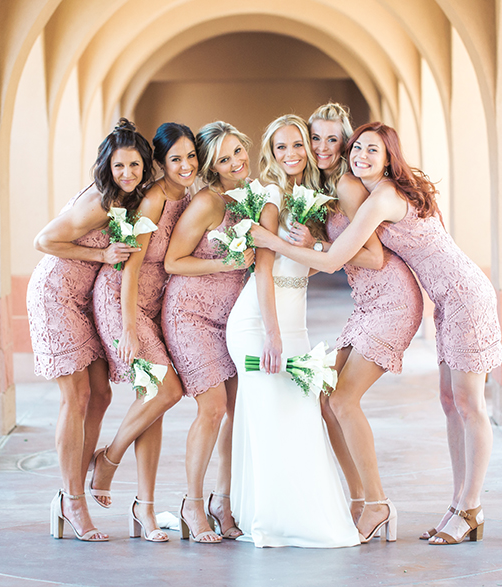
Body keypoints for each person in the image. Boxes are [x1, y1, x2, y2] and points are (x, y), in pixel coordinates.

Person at [251, 121, 502, 545]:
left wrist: (272, 242)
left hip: (466, 295)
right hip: (444, 300)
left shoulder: (382, 195)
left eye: (372, 150)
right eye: (357, 149)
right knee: (449, 402)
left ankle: (468, 507)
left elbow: (335, 260)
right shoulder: (371, 193)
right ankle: (455, 506)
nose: (359, 156)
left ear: (389, 158)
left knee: (469, 404)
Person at [226, 114, 373, 548]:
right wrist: (272, 335)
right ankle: (272, 521)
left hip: (296, 321)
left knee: (300, 418)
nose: (290, 155)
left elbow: (311, 266)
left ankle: (290, 513)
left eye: (296, 146)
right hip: (259, 321)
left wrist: (309, 243)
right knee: (272, 420)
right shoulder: (270, 196)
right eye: (280, 148)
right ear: (270, 156)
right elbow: (263, 271)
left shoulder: (311, 200)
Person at [296, 104, 424, 529]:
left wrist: (309, 253)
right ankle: (360, 497)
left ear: (346, 142)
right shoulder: (325, 186)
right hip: (367, 302)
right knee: (325, 398)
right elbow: (331, 256)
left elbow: (369, 255)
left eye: (333, 139)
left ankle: (377, 502)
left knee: (343, 399)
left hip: (391, 299)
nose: (322, 147)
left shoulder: (349, 186)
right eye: (315, 138)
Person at [27, 119, 141, 542]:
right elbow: (43, 240)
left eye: (134, 166)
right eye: (119, 166)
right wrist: (102, 254)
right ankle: (71, 499)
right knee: (75, 397)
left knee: (102, 393)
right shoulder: (100, 203)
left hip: (80, 299)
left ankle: (74, 481)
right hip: (55, 294)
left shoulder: (128, 200)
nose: (126, 174)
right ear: (106, 167)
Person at [88, 122, 198, 542]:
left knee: (151, 401)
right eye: (175, 159)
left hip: (151, 307)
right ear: (161, 163)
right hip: (124, 302)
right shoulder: (153, 199)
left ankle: (144, 511)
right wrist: (130, 327)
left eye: (191, 157)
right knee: (166, 391)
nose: (185, 165)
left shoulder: (184, 195)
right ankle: (107, 461)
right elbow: (130, 267)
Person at [162, 121, 255, 543]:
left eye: (238, 151)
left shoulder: (249, 197)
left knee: (238, 410)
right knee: (213, 408)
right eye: (224, 158)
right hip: (190, 314)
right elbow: (173, 262)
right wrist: (226, 264)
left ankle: (224, 499)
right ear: (212, 167)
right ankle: (192, 504)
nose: (236, 161)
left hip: (229, 320)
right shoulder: (206, 202)